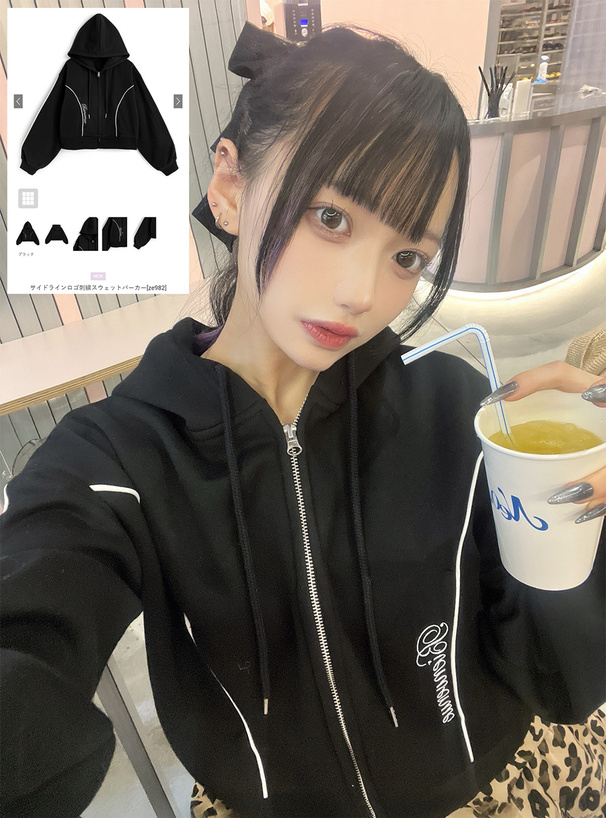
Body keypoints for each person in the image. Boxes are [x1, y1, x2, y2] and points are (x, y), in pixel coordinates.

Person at [1, 22, 605, 818]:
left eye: (407, 257)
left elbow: (563, 680)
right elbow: (27, 622)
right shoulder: (117, 458)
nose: (363, 294)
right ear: (229, 186)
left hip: (497, 787)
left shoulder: (461, 413)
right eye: (330, 216)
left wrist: (579, 523)